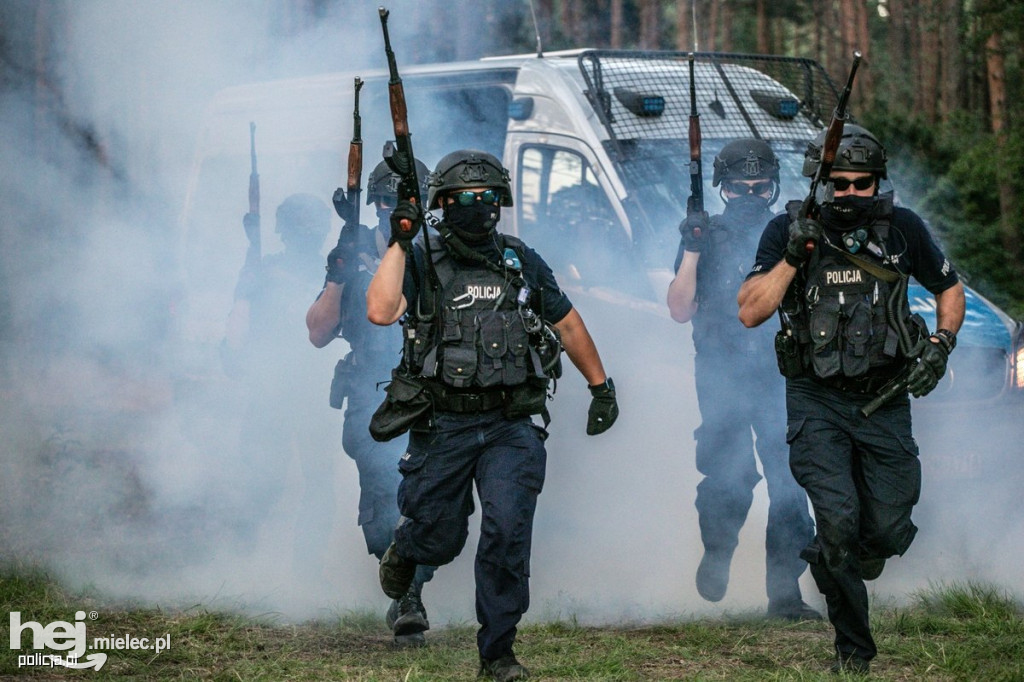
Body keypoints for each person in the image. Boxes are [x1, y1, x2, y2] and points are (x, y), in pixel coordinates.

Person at [365, 150, 619, 682]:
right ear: (441, 203)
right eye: (463, 199)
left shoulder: (519, 259)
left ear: (500, 202)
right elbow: (382, 310)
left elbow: (567, 323)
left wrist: (601, 387)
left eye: (486, 198)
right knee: (440, 537)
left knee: (507, 532)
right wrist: (400, 239)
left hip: (512, 423)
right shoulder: (420, 258)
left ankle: (498, 654)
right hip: (444, 425)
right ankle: (409, 550)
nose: (477, 208)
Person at [737, 125, 966, 674]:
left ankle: (838, 560)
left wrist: (941, 343)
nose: (849, 194)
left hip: (885, 398)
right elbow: (750, 310)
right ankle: (854, 652)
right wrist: (793, 256)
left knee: (887, 528)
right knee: (836, 523)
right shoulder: (785, 230)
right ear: (819, 181)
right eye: (837, 183)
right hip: (816, 401)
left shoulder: (901, 228)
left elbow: (949, 288)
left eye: (861, 184)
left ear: (876, 183)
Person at [666, 139, 819, 621]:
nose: (750, 196)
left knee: (791, 482)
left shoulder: (790, 232)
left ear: (773, 188)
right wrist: (691, 249)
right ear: (722, 189)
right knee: (726, 473)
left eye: (760, 187)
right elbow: (678, 309)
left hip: (782, 373)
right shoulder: (704, 233)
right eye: (738, 188)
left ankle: (785, 593)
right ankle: (717, 550)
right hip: (721, 371)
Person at [305, 159, 436, 646]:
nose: (394, 214)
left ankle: (413, 585)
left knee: (433, 503)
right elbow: (318, 332)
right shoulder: (354, 257)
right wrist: (339, 274)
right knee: (383, 494)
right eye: (387, 205)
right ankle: (406, 598)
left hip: (433, 396)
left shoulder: (437, 257)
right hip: (373, 400)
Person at [222, 193, 337, 583]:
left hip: (300, 390)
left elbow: (238, 318)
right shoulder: (329, 272)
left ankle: (268, 564)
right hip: (286, 389)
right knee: (274, 481)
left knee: (273, 480)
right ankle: (264, 564)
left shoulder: (325, 272)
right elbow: (240, 317)